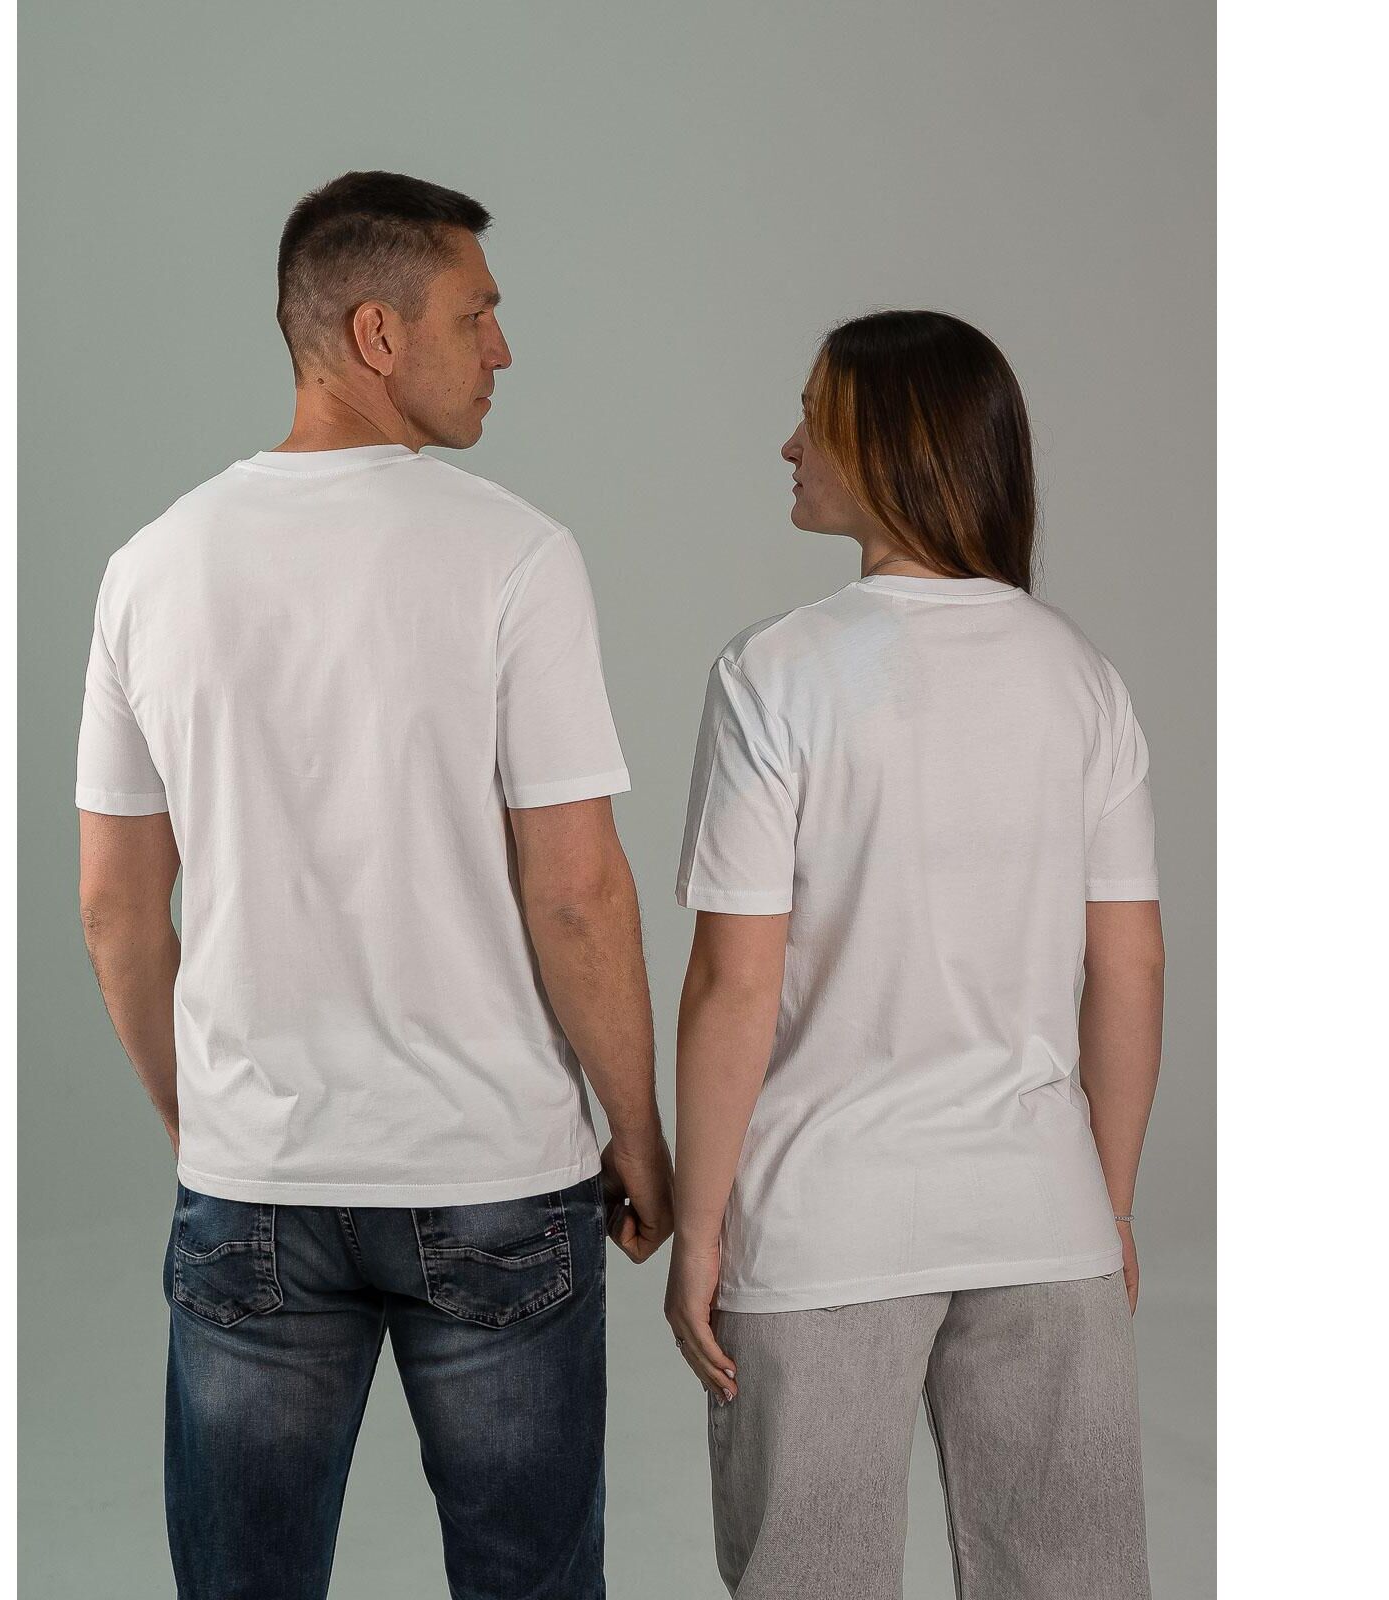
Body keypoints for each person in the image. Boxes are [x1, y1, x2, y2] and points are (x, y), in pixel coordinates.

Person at [76, 169, 672, 1600]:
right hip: (496, 1175)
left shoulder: (151, 569)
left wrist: (210, 1129)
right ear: (376, 333)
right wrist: (641, 1133)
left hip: (257, 1179)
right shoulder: (515, 556)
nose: (504, 349)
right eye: (478, 314)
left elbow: (115, 906)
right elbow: (577, 891)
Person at [665, 310, 1164, 1599]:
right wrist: (1104, 1206)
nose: (788, 445)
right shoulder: (1081, 677)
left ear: (887, 443)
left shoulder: (775, 674)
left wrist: (700, 1230)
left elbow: (734, 981)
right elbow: (1131, 966)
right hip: (1042, 1216)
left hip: (823, 1223)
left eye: (811, 418)